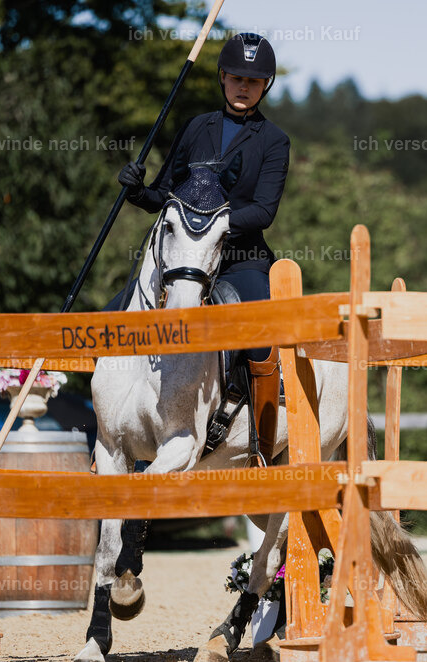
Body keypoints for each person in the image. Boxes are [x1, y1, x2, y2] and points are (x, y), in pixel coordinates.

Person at [116, 32, 288, 460]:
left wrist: (213, 225)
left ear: (265, 85)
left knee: (261, 337)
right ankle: (109, 424)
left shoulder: (274, 141)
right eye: (235, 78)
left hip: (239, 260)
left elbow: (264, 211)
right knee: (118, 309)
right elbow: (165, 195)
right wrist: (137, 191)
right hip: (180, 261)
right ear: (222, 78)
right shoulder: (196, 127)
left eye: (253, 80)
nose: (243, 87)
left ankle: (262, 444)